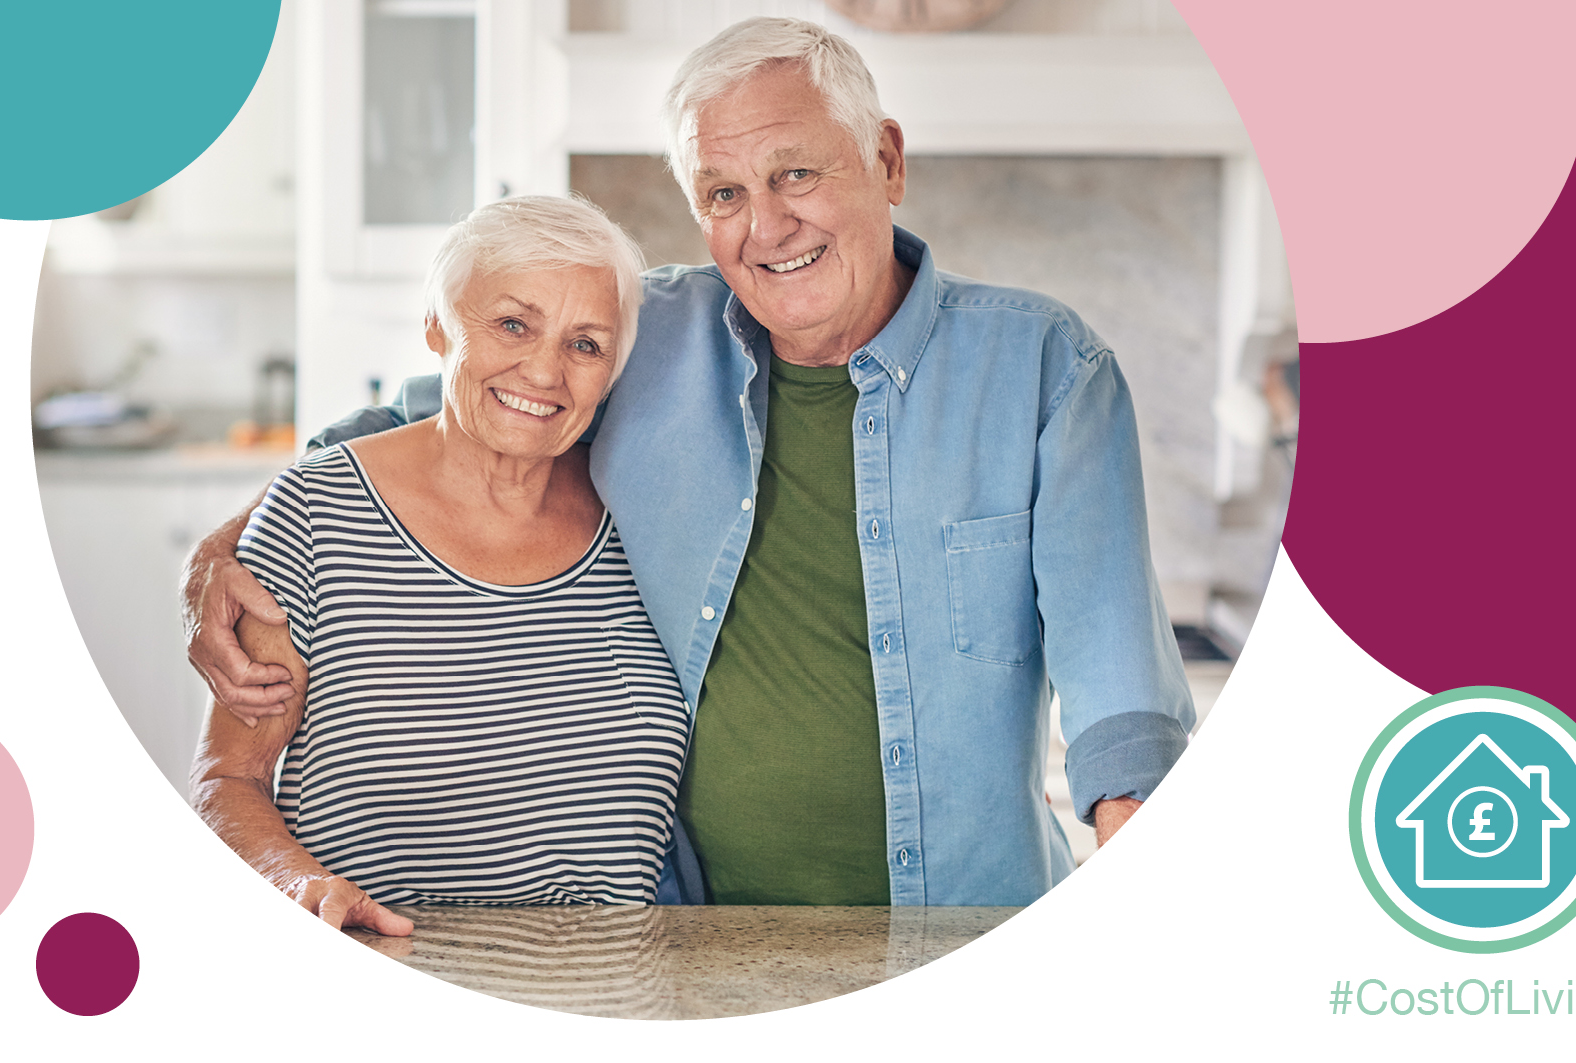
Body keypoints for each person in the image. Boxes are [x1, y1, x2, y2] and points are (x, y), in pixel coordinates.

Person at [184, 17, 1193, 908]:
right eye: (724, 192)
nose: (766, 225)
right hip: (689, 942)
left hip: (961, 931)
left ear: (885, 161)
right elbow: (427, 414)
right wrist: (227, 553)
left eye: (797, 172)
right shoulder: (635, 334)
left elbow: (1122, 698)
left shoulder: (1046, 368)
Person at [188, 196, 689, 935]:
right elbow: (226, 777)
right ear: (436, 324)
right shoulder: (316, 513)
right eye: (512, 324)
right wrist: (297, 881)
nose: (544, 370)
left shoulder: (646, 518)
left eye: (585, 344)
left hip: (616, 988)